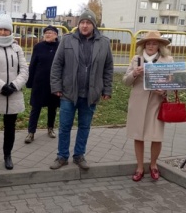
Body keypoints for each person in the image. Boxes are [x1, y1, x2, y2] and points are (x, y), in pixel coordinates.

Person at [49, 9, 114, 170]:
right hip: (68, 92)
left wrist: (107, 89)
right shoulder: (67, 40)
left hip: (91, 93)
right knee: (64, 126)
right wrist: (56, 86)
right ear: (78, 24)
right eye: (82, 22)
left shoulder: (104, 42)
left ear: (93, 25)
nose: (85, 26)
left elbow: (108, 68)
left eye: (88, 23)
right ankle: (62, 156)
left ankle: (79, 155)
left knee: (85, 126)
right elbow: (57, 65)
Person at [122, 30, 173, 182]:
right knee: (138, 135)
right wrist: (134, 74)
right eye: (148, 43)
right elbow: (125, 81)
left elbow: (174, 82)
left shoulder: (167, 60)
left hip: (156, 103)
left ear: (159, 46)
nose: (151, 46)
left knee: (156, 136)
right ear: (144, 45)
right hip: (138, 102)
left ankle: (153, 165)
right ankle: (139, 167)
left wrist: (164, 90)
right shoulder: (136, 59)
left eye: (154, 43)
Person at [0, 13, 29, 172]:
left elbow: (24, 69)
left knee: (10, 127)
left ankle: (7, 155)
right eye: (0, 29)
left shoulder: (17, 48)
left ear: (10, 31)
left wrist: (14, 85)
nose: (2, 32)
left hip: (13, 94)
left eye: (6, 29)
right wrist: (1, 86)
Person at [24, 25, 60, 144]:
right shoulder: (38, 47)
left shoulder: (60, 47)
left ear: (56, 35)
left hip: (54, 83)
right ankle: (31, 132)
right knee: (36, 107)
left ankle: (50, 128)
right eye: (46, 33)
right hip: (39, 82)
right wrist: (30, 83)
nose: (48, 34)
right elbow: (33, 64)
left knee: (52, 107)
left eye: (51, 32)